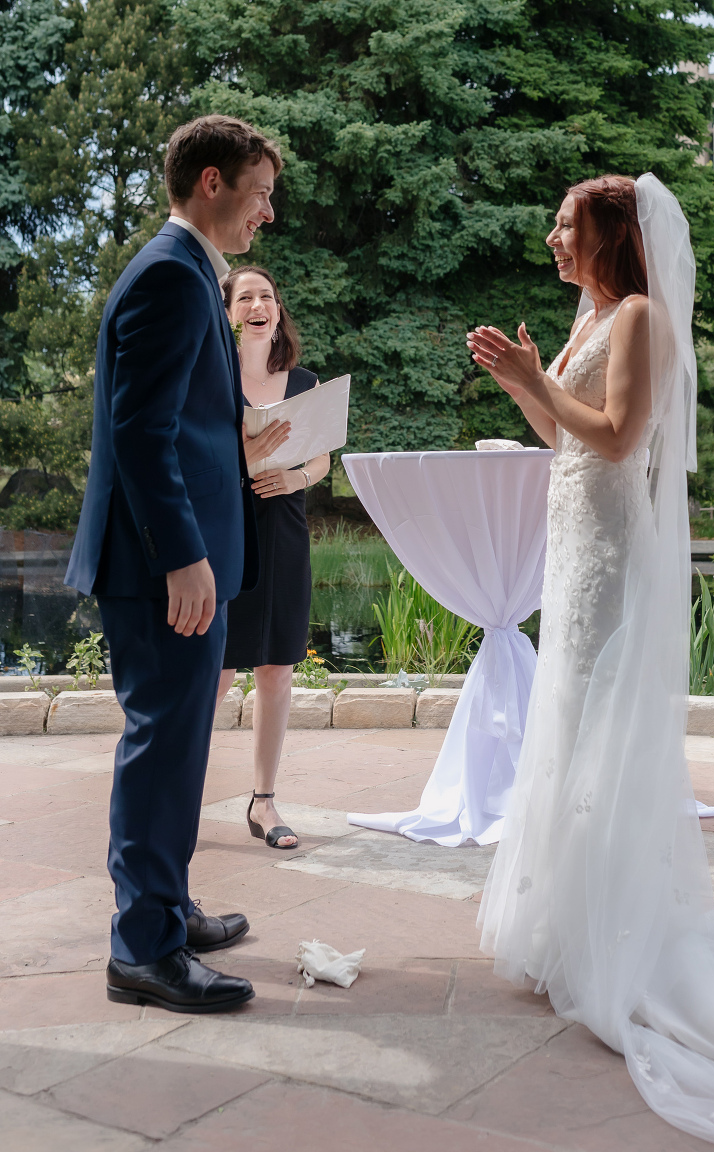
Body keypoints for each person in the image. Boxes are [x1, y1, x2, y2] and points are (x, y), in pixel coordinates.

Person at [468, 175, 714, 1148]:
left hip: (614, 553)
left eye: (566, 224)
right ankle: (574, 931)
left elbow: (619, 436)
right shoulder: (590, 313)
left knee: (607, 743)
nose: (552, 237)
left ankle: (625, 946)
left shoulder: (637, 313)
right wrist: (524, 379)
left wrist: (538, 378)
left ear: (610, 235)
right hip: (578, 552)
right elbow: (559, 435)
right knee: (569, 730)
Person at [65, 114, 283, 1014]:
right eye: (260, 193)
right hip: (163, 565)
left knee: (183, 744)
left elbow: (182, 420)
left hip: (187, 557)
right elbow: (140, 435)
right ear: (210, 182)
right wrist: (185, 559)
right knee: (161, 748)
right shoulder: (168, 273)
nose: (267, 213)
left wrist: (245, 435)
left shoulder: (194, 270)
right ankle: (142, 951)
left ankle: (167, 905)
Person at [215, 266, 330, 849]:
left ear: (278, 311)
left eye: (267, 296)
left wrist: (294, 477)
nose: (258, 305)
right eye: (245, 297)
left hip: (284, 529)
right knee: (215, 672)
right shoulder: (211, 376)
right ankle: (180, 797)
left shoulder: (304, 381)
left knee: (277, 670)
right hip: (225, 530)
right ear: (229, 312)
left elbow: (322, 464)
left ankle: (264, 802)